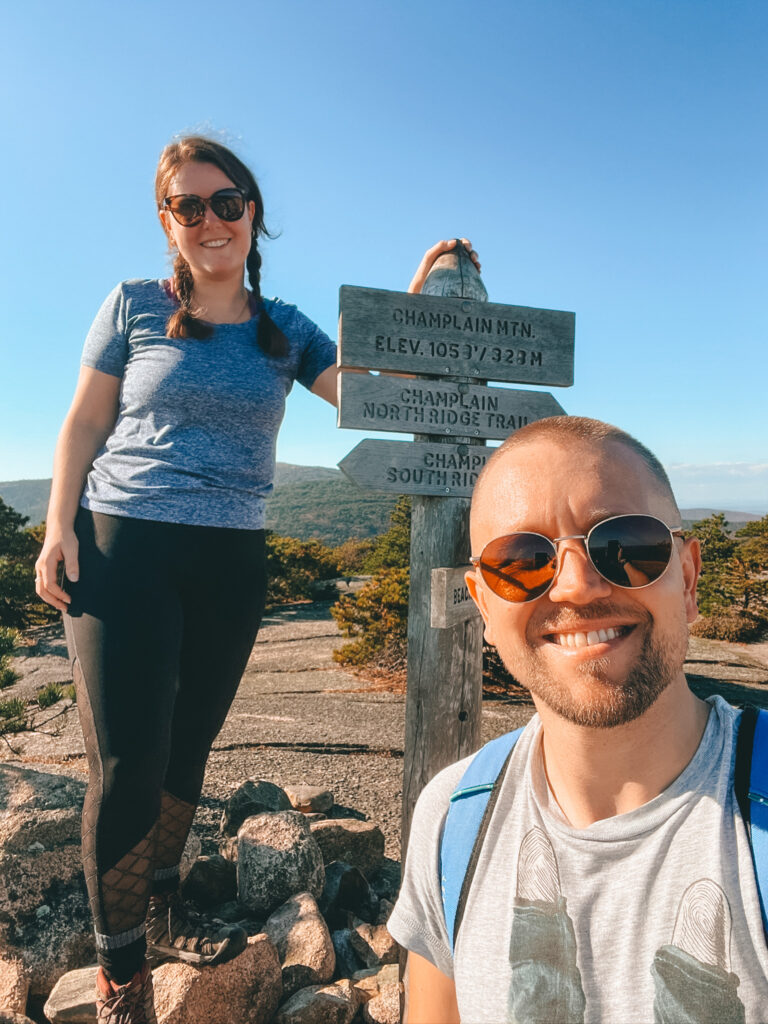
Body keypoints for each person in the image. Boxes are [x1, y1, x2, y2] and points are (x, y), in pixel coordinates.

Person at [34, 132, 477, 1023]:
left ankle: (159, 906)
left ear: (252, 213)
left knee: (189, 746)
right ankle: (124, 981)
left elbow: (370, 392)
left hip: (232, 556)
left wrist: (418, 295)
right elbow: (84, 423)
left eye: (225, 202)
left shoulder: (285, 329)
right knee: (128, 761)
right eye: (187, 206)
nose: (209, 220)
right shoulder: (131, 306)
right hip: (123, 543)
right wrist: (56, 529)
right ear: (168, 221)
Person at [388, 416, 768, 1023]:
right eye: (522, 559)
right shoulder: (453, 816)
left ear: (690, 576)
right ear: (483, 605)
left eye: (626, 545)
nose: (576, 587)